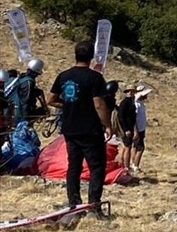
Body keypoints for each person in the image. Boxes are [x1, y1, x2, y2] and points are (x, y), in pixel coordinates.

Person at [48, 41, 113, 212]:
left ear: (75, 54)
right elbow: (99, 104)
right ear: (91, 57)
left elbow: (51, 100)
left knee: (73, 166)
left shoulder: (63, 76)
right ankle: (93, 205)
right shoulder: (94, 77)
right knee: (96, 167)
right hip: (90, 129)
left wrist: (69, 106)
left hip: (70, 129)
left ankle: (73, 203)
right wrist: (108, 125)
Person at [4, 59, 47, 127]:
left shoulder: (19, 79)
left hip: (8, 114)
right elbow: (25, 102)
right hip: (17, 115)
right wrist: (25, 121)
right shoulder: (28, 82)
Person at [130, 86, 151, 173]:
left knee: (135, 146)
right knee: (140, 148)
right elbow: (133, 118)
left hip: (141, 129)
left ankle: (133, 164)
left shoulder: (140, 103)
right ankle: (135, 165)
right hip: (138, 129)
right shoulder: (137, 104)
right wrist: (136, 130)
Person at [116, 85, 137, 170]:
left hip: (130, 127)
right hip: (126, 128)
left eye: (132, 91)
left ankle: (124, 166)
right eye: (129, 91)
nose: (131, 93)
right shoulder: (125, 103)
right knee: (127, 147)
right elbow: (121, 117)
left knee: (126, 147)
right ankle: (126, 166)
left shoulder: (131, 102)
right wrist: (126, 129)